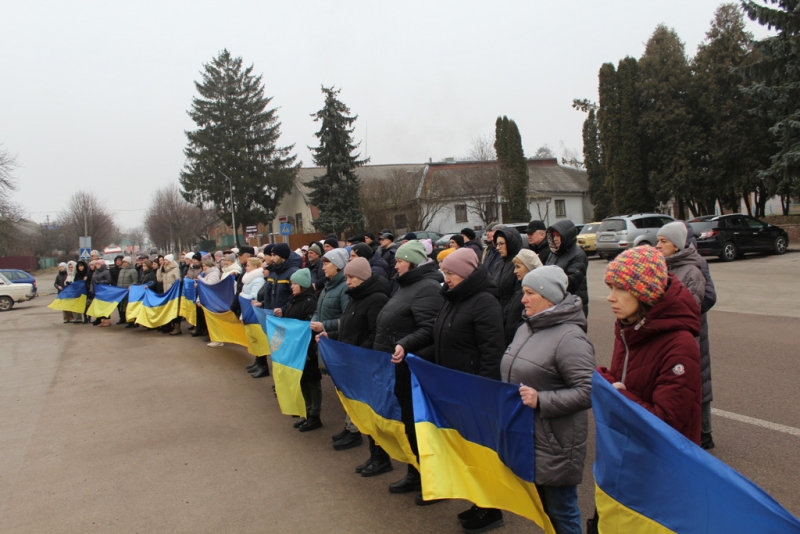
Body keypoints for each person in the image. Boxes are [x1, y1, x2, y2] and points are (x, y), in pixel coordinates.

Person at [500, 266, 595, 534]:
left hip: (557, 441)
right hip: (528, 434)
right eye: (523, 292)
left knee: (562, 510)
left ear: (549, 297)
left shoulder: (570, 337)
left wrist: (542, 400)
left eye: (530, 293)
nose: (523, 299)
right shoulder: (526, 328)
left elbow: (589, 390)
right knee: (543, 508)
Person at [423, 247, 506, 524]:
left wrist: (483, 390)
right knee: (466, 448)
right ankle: (477, 502)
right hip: (454, 386)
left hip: (474, 389)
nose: (446, 278)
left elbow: (492, 352)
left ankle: (492, 509)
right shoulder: (452, 298)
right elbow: (441, 339)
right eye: (444, 273)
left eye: (451, 273)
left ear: (467, 274)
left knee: (480, 450)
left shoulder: (484, 302)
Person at [597, 246, 702, 444]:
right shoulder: (629, 329)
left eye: (620, 288)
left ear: (645, 293)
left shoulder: (679, 345)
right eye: (611, 288)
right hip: (631, 449)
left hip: (661, 463)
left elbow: (665, 424)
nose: (610, 297)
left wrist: (613, 392)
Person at [374, 240, 443, 495]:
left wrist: (404, 344)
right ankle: (415, 473)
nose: (396, 264)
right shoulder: (405, 284)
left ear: (412, 262)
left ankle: (431, 481)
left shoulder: (427, 288)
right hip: (396, 366)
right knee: (406, 423)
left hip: (411, 369)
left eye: (400, 260)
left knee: (417, 426)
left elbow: (429, 329)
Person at [322, 257, 392, 468]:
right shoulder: (355, 297)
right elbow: (349, 329)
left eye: (351, 277)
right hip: (354, 361)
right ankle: (374, 455)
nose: (348, 281)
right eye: (347, 277)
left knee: (372, 412)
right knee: (363, 411)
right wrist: (331, 335)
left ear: (362, 277)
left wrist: (359, 353)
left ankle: (381, 458)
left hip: (366, 363)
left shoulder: (376, 299)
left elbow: (375, 333)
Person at [660, 221, 717, 450]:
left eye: (663, 240)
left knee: (699, 381)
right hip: (678, 329)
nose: (659, 245)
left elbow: (709, 296)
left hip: (692, 329)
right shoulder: (666, 263)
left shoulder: (695, 264)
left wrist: (688, 317)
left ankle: (704, 434)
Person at [285, 269, 322, 432]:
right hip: (297, 349)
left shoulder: (310, 302)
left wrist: (308, 350)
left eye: (294, 284)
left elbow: (309, 329)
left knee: (312, 381)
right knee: (302, 380)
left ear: (303, 285)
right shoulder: (295, 299)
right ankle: (307, 412)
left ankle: (315, 416)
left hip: (307, 350)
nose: (291, 287)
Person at [545, 220, 589, 317]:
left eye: (558, 235)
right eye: (554, 236)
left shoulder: (578, 255)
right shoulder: (553, 253)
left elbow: (570, 282)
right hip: (556, 304)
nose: (555, 239)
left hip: (573, 305)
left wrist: (548, 287)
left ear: (566, 236)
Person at [503, 249, 543, 345]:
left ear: (529, 268)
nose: (515, 271)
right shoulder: (520, 289)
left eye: (518, 267)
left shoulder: (538, 293)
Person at [491, 226, 524, 312]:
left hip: (512, 316)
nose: (498, 248)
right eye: (497, 244)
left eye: (501, 244)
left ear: (510, 244)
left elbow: (518, 295)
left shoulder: (519, 265)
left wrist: (504, 315)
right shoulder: (498, 265)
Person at [157, 254, 182, 334]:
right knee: (168, 310)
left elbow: (178, 281)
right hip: (166, 293)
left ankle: (177, 327)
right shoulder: (164, 269)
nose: (164, 262)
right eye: (164, 260)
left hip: (173, 294)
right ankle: (169, 327)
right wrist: (160, 269)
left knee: (174, 310)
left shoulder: (175, 269)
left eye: (166, 260)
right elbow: (159, 279)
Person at [91, 259, 113, 326]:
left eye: (98, 264)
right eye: (96, 264)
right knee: (99, 306)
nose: (97, 266)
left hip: (104, 291)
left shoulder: (106, 272)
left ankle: (107, 321)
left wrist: (100, 282)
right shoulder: (95, 272)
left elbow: (109, 280)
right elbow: (92, 281)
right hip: (97, 291)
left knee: (105, 306)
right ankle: (101, 320)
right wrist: (91, 289)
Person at [116, 256, 138, 325]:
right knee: (123, 306)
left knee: (130, 306)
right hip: (122, 291)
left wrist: (131, 286)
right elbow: (119, 280)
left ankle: (134, 321)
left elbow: (135, 281)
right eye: (123, 262)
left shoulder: (133, 271)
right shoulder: (122, 270)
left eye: (125, 262)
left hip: (129, 291)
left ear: (128, 262)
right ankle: (127, 320)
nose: (124, 263)